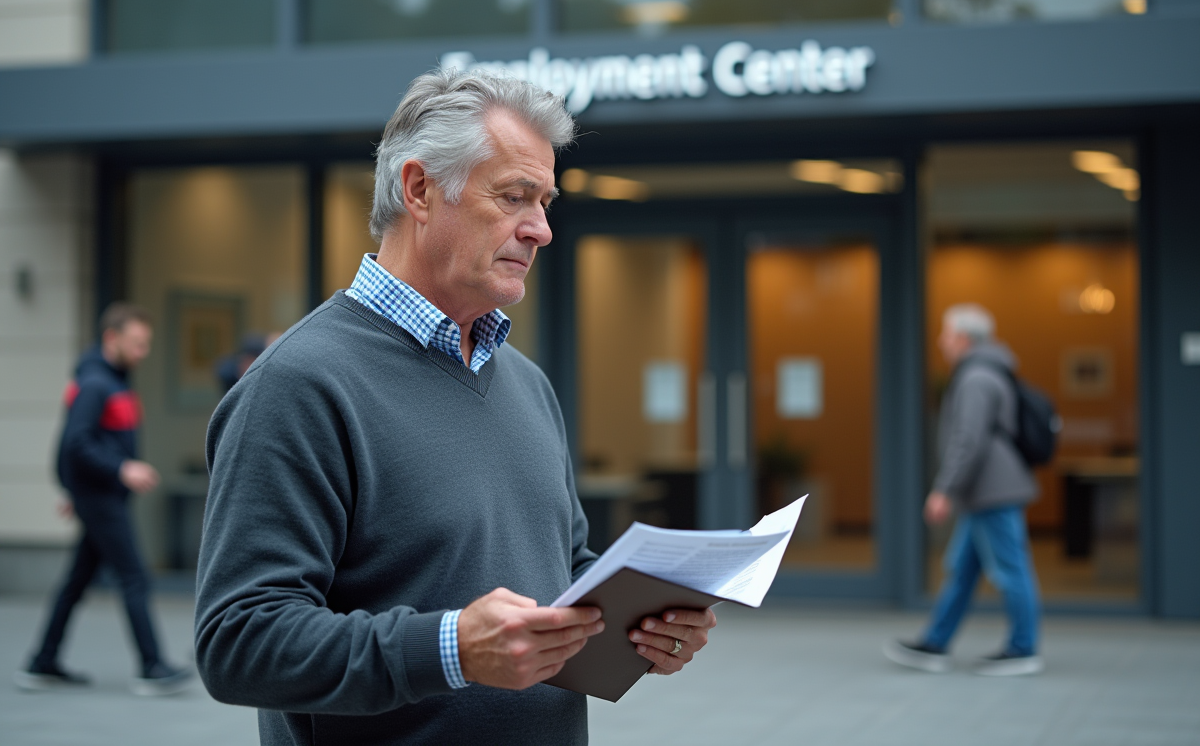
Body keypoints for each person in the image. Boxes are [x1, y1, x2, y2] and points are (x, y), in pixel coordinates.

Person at [194, 69, 718, 745]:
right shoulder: (299, 385)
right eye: (514, 197)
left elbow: (563, 575)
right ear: (418, 190)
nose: (542, 230)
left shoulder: (527, 383)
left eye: (546, 201)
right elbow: (239, 642)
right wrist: (449, 649)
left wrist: (638, 623)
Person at [15, 303, 192, 695]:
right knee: (134, 575)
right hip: (100, 496)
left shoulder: (112, 379)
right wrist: (120, 469)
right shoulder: (96, 384)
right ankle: (151, 666)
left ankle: (43, 662)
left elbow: (81, 444)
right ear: (112, 338)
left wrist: (71, 488)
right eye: (137, 344)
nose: (143, 352)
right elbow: (74, 442)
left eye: (146, 344)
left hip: (96, 494)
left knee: (76, 582)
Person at [884, 303, 1043, 677]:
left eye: (946, 333)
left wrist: (944, 490)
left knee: (1011, 569)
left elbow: (968, 441)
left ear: (963, 338)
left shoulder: (976, 378)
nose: (941, 341)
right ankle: (935, 643)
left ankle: (1024, 648)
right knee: (963, 570)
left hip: (992, 492)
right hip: (985, 492)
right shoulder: (989, 371)